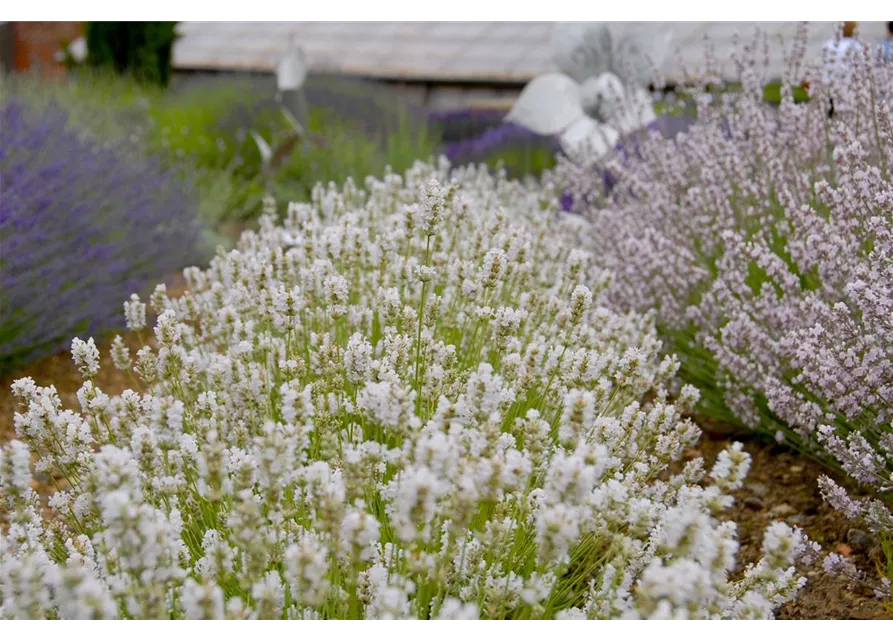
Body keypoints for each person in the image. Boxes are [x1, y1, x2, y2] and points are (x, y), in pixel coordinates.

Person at [823, 20, 864, 116]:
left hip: (831, 87)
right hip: (849, 89)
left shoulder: (829, 44)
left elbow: (824, 67)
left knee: (831, 116)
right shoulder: (857, 47)